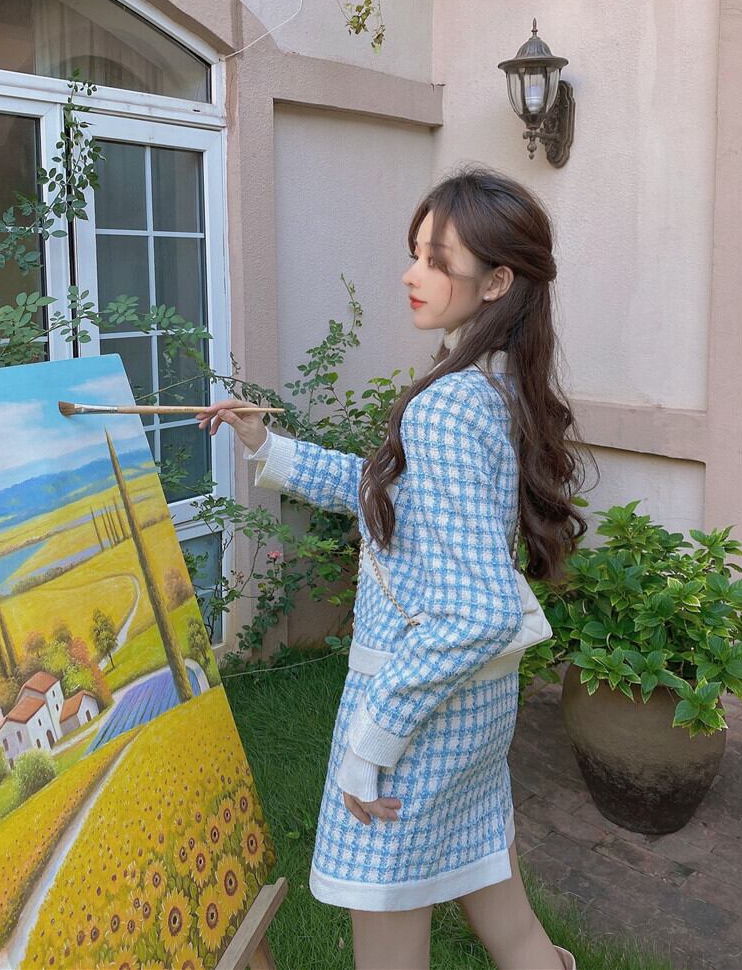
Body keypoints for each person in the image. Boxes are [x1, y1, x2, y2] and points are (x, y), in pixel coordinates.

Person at [196, 166, 591, 970]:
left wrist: (373, 738)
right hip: (476, 709)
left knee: (388, 928)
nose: (412, 275)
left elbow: (479, 612)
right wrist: (269, 448)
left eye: (438, 261)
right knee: (507, 915)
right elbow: (400, 497)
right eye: (415, 253)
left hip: (420, 712)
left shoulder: (445, 405)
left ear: (497, 282)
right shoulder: (497, 387)